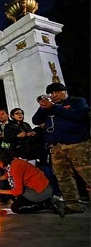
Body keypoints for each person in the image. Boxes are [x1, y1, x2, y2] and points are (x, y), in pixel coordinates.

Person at [32, 82, 90, 215]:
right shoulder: (49, 107)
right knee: (63, 177)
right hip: (57, 147)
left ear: (64, 91)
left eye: (57, 92)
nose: (54, 95)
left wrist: (54, 107)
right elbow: (36, 120)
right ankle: (72, 204)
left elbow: (80, 115)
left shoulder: (77, 101)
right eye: (52, 93)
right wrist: (43, 107)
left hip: (77, 144)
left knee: (87, 175)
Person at [0, 150, 55, 214]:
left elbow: (18, 191)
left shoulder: (16, 166)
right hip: (34, 188)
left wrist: (0, 191)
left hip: (41, 191)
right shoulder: (13, 162)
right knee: (9, 189)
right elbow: (8, 174)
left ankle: (43, 205)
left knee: (15, 208)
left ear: (2, 161)